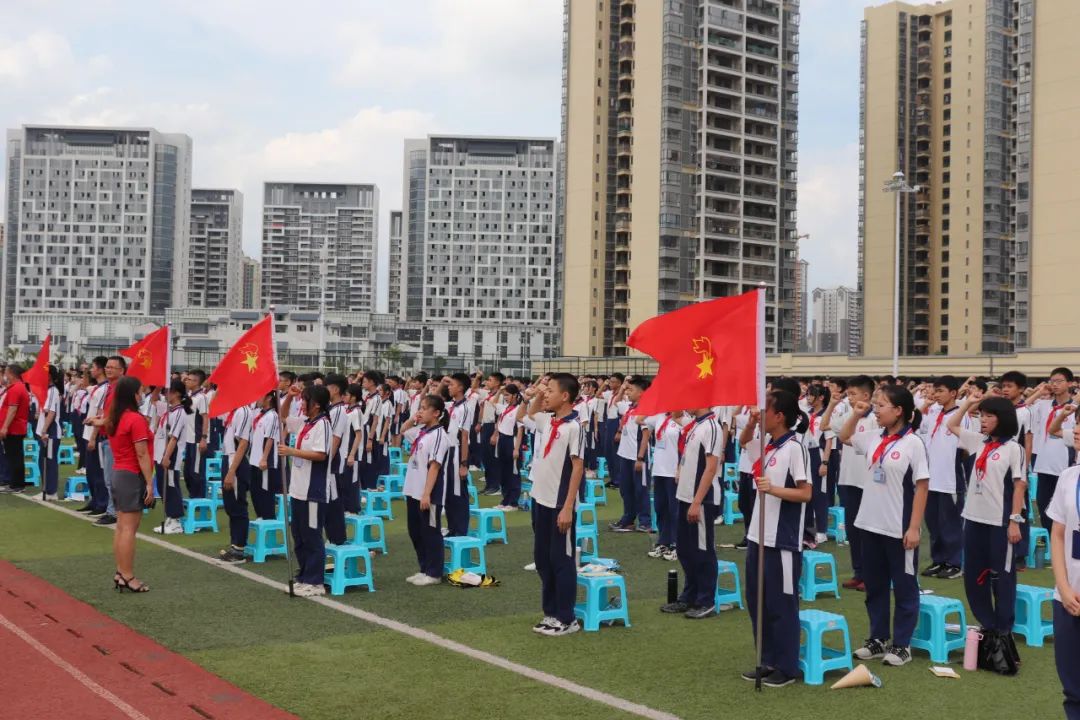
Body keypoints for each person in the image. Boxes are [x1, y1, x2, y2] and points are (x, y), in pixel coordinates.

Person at [840, 384, 929, 667]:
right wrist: (856, 414)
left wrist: (914, 528)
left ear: (899, 410)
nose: (875, 410)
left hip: (898, 527)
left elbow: (922, 487)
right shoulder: (873, 437)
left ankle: (902, 644)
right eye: (875, 405)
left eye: (881, 405)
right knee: (875, 586)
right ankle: (877, 639)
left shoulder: (913, 443)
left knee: (904, 587)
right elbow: (843, 436)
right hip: (869, 523)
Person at [740, 390, 811, 687]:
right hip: (758, 535)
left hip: (782, 539)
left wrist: (774, 490)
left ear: (779, 415)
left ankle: (787, 666)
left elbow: (806, 493)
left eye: (764, 410)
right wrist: (752, 422)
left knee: (782, 604)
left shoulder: (795, 448)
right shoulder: (767, 445)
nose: (760, 414)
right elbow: (744, 442)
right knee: (758, 601)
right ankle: (766, 659)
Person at [946, 391, 1025, 642]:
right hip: (973, 518)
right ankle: (987, 623)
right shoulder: (978, 441)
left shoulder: (1014, 449)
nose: (983, 420)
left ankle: (1003, 630)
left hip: (1000, 521)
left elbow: (1019, 486)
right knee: (974, 576)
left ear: (1002, 418)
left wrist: (1014, 520)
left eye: (989, 415)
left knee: (1002, 576)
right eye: (981, 415)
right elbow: (952, 425)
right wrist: (968, 403)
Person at [518, 373, 585, 637]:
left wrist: (568, 506)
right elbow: (529, 414)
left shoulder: (574, 427)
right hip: (540, 499)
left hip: (559, 503)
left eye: (552, 390)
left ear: (565, 396)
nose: (547, 394)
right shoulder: (549, 419)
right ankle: (550, 612)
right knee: (543, 559)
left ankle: (567, 617)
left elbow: (577, 467)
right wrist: (537, 392)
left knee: (562, 559)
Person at [662, 407, 723, 619]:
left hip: (701, 499)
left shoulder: (712, 427)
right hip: (685, 495)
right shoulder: (696, 424)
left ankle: (705, 601)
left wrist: (698, 501)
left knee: (703, 550)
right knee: (686, 549)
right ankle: (689, 596)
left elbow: (711, 467)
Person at [822, 375, 877, 591]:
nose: (850, 398)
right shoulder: (849, 415)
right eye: (849, 394)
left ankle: (871, 575)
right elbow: (825, 425)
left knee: (867, 532)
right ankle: (858, 572)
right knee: (853, 530)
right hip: (848, 480)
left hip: (867, 482)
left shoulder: (876, 419)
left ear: (866, 395)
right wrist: (833, 404)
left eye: (853, 394)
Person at [279, 384, 333, 597]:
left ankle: (315, 581)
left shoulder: (323, 425)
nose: (302, 403)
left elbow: (321, 455)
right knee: (299, 535)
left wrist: (292, 451)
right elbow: (283, 417)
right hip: (298, 489)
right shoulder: (305, 422)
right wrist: (289, 398)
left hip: (314, 491)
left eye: (304, 399)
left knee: (312, 536)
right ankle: (304, 576)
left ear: (317, 404)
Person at [104, 376, 155, 593]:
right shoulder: (134, 419)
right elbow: (142, 453)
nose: (142, 394)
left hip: (119, 472)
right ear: (133, 394)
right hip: (131, 474)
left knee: (122, 526)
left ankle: (120, 571)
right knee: (128, 528)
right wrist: (150, 483)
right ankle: (127, 575)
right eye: (140, 391)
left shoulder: (116, 417)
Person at [400, 394, 450, 586]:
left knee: (431, 531)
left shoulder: (439, 435)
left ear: (436, 413)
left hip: (427, 493)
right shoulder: (422, 431)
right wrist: (414, 418)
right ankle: (424, 568)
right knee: (415, 531)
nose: (420, 411)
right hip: (413, 490)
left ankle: (434, 572)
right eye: (419, 408)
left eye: (424, 408)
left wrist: (427, 494)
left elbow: (434, 467)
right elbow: (403, 430)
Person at [1047, 440, 1080, 720]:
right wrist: (1064, 587)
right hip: (1068, 596)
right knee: (1072, 686)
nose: (1077, 429)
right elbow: (1058, 534)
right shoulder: (1069, 477)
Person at [1033, 368, 1076, 532]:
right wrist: (1038, 392)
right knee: (1043, 509)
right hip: (1044, 466)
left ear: (1070, 383)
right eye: (1052, 381)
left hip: (1065, 467)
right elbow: (1020, 410)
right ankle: (1053, 548)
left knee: (1065, 511)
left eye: (1060, 381)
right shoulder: (1042, 405)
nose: (1055, 384)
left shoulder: (1075, 408)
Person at [610, 376, 653, 533]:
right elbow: (616, 403)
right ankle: (628, 519)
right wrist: (623, 387)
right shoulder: (629, 408)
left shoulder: (645, 411)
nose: (628, 392)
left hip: (637, 456)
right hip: (625, 455)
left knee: (640, 489)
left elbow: (646, 435)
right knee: (625, 489)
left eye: (632, 390)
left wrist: (640, 458)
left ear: (642, 393)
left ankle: (645, 521)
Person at [217, 401, 253, 564]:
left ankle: (239, 549)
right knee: (230, 505)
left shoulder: (244, 411)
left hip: (235, 462)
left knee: (237, 506)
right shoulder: (234, 410)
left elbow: (243, 443)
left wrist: (231, 471)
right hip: (228, 457)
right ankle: (234, 545)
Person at [153, 380, 190, 535]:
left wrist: (166, 457)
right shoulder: (168, 410)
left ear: (177, 393)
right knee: (163, 487)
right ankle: (170, 516)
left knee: (171, 486)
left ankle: (176, 521)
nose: (165, 394)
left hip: (170, 455)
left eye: (169, 391)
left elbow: (174, 438)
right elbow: (153, 400)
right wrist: (160, 383)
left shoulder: (180, 412)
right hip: (160, 453)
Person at [646, 411, 683, 561]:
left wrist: (680, 468)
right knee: (661, 507)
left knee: (675, 510)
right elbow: (640, 419)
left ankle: (677, 544)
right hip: (659, 470)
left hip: (674, 471)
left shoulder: (683, 419)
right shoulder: (659, 416)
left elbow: (684, 447)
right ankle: (664, 542)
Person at [442, 374, 475, 537]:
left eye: (452, 384)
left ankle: (460, 530)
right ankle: (452, 527)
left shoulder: (465, 408)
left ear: (460, 388)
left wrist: (464, 464)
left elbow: (464, 436)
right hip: (448, 452)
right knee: (448, 492)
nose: (449, 387)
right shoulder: (453, 405)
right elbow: (437, 397)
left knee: (458, 493)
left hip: (457, 453)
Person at [249, 390, 283, 522]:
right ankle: (260, 516)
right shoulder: (259, 414)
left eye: (260, 395)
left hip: (265, 461)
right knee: (255, 490)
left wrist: (264, 458)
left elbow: (270, 438)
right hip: (254, 459)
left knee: (265, 492)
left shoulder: (273, 416)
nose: (257, 398)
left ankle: (268, 518)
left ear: (269, 398)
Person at [492, 384, 524, 511]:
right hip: (502, 440)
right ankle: (505, 500)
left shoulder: (519, 409)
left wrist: (516, 449)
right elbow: (493, 402)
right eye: (504, 395)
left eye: (507, 395)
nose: (505, 397)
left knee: (513, 472)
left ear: (515, 395)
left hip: (512, 440)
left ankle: (513, 502)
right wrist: (499, 390)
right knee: (503, 472)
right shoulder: (505, 408)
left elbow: (520, 430)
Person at [0, 364, 31, 494]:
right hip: (14, 428)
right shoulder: (16, 387)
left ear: (12, 374)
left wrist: (5, 427)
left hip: (14, 428)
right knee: (13, 457)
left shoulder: (16, 388)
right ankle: (14, 483)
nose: (5, 376)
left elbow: (13, 409)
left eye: (6, 373)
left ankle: (18, 484)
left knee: (15, 457)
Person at [37, 365, 63, 500]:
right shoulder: (45, 390)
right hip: (45, 431)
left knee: (50, 462)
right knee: (42, 461)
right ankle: (45, 488)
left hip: (51, 433)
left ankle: (51, 492)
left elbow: (52, 412)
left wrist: (44, 430)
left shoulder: (53, 391)